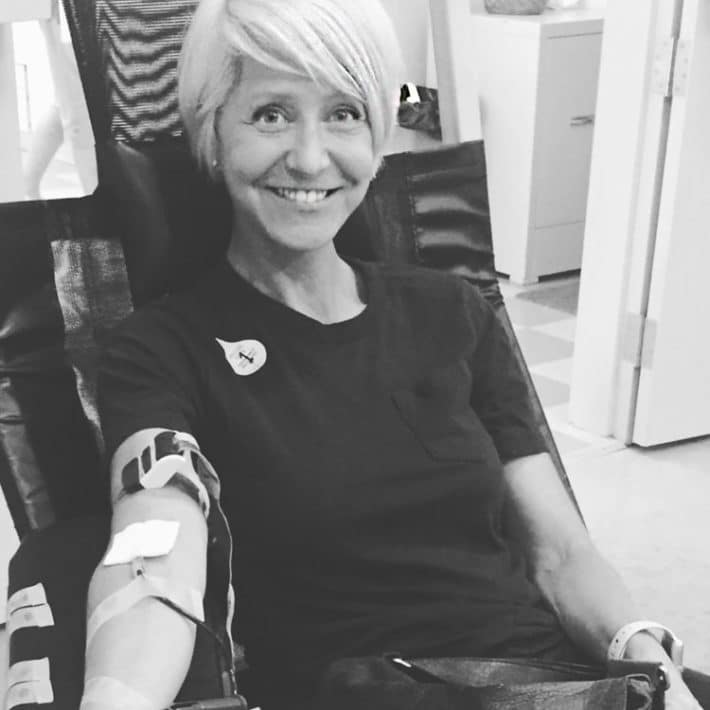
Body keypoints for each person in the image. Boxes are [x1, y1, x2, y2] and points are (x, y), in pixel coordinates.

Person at [82, 1, 703, 708]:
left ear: (378, 137)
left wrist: (651, 660)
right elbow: (152, 560)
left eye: (344, 112)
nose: (311, 158)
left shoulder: (455, 311)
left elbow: (561, 554)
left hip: (546, 680)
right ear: (213, 133)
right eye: (271, 114)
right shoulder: (161, 350)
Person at [23, 0, 96, 200]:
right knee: (80, 109)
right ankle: (95, 198)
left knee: (69, 99)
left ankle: (27, 184)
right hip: (69, 12)